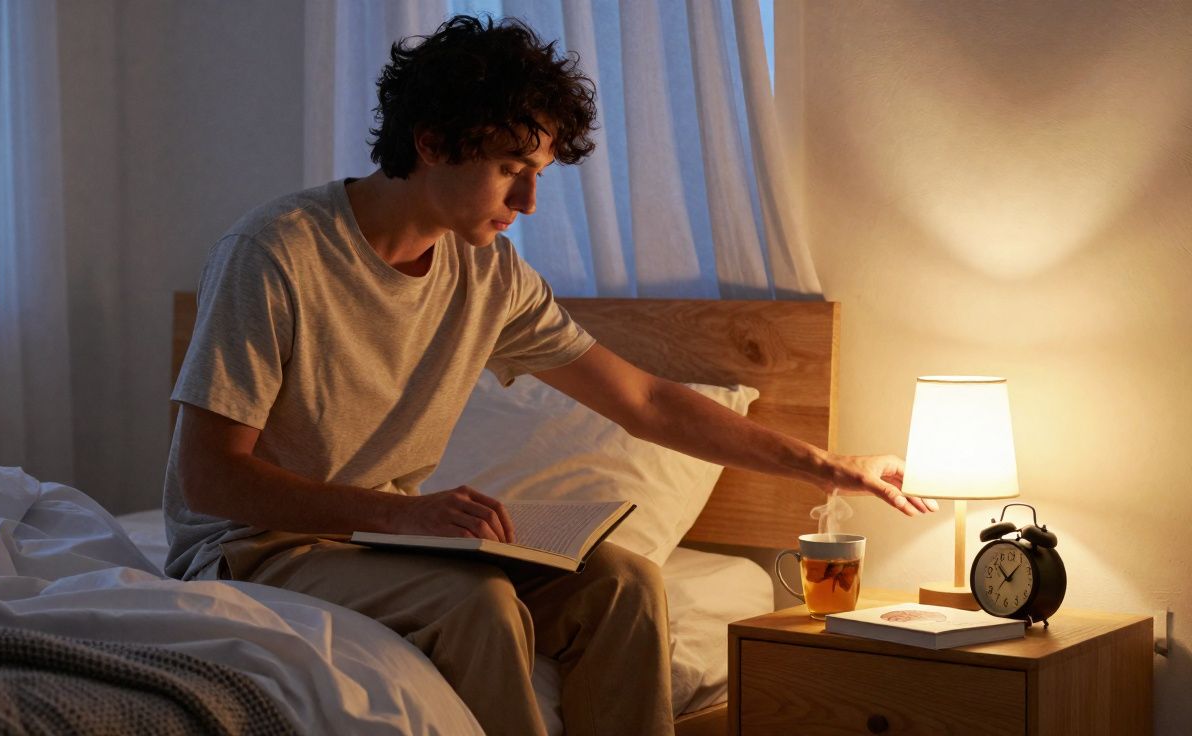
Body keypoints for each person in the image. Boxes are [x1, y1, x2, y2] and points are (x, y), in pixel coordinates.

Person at [163, 15, 935, 736]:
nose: (528, 201)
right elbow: (210, 479)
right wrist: (404, 516)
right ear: (431, 142)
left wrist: (830, 466)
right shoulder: (277, 253)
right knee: (482, 604)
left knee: (625, 586)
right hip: (260, 549)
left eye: (536, 172)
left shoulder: (488, 275)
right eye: (510, 170)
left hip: (379, 542)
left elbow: (646, 401)